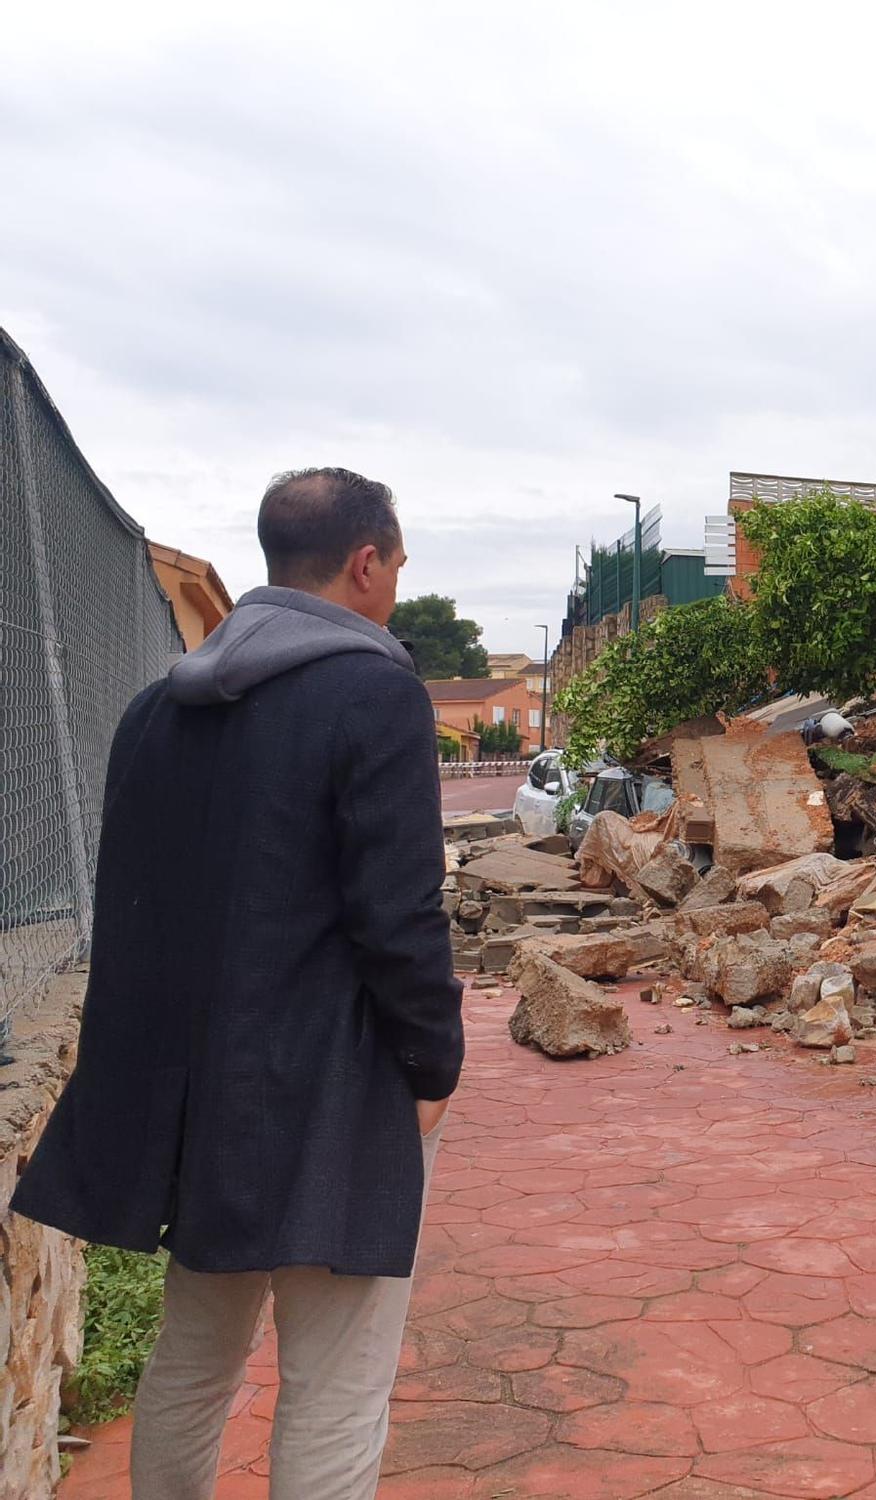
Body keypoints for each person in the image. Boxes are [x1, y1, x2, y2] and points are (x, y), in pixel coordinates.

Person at [13, 468, 463, 1499]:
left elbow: (136, 914)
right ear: (365, 563)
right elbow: (399, 917)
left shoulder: (154, 710)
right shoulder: (376, 689)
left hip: (204, 1100)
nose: (394, 581)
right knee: (337, 1377)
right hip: (337, 1093)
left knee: (194, 1357)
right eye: (395, 562)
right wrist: (432, 1062)